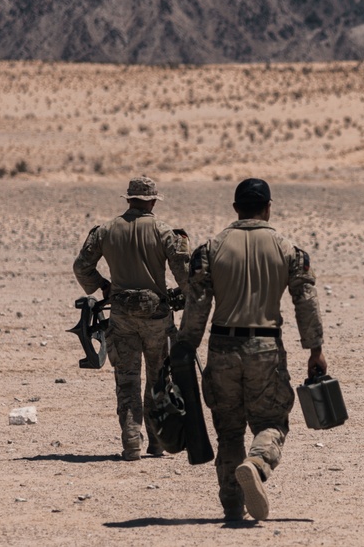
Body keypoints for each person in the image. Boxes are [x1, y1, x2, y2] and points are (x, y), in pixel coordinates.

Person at [179, 178, 327, 523]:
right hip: (265, 348)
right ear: (268, 207)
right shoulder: (288, 249)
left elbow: (197, 305)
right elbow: (306, 302)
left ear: (236, 208)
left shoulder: (210, 248)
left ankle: (233, 505)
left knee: (229, 430)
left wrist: (186, 347)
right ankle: (258, 464)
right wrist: (315, 350)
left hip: (221, 348)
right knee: (272, 422)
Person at [73, 176, 191, 461]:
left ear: (129, 200)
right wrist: (185, 296)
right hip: (157, 317)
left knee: (126, 380)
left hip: (121, 315)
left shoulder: (106, 230)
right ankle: (157, 442)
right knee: (158, 378)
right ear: (151, 201)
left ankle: (130, 442)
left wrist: (103, 286)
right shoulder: (164, 232)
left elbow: (81, 267)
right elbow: (185, 274)